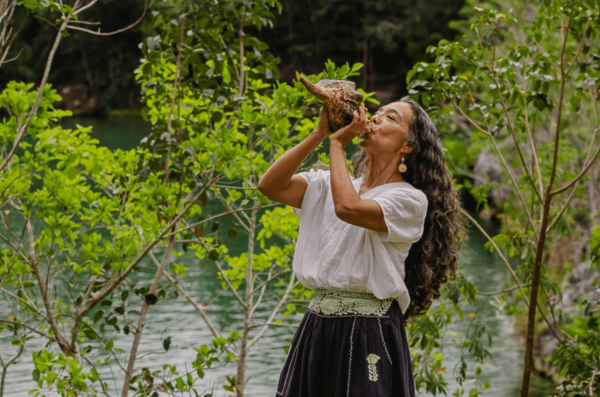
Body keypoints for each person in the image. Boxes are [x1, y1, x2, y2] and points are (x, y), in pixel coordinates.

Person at [258, 98, 465, 397]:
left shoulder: (409, 200)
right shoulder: (329, 184)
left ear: (407, 145)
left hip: (370, 329)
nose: (376, 118)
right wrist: (320, 133)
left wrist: (337, 145)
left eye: (390, 117)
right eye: (376, 113)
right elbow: (270, 186)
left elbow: (348, 209)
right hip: (316, 323)